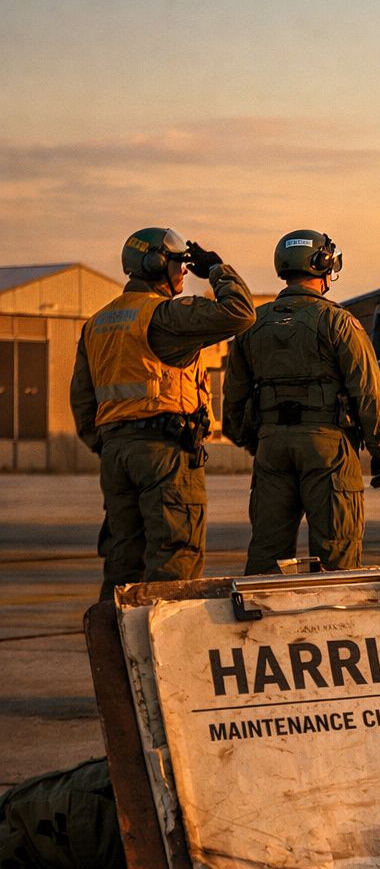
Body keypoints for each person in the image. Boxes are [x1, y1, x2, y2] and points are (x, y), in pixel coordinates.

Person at [71, 228, 255, 601]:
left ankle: (117, 637)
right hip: (165, 453)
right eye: (177, 263)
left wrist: (112, 444)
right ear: (156, 264)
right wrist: (216, 269)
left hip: (116, 455)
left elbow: (83, 402)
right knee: (175, 558)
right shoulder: (164, 316)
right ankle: (164, 637)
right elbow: (240, 312)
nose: (183, 271)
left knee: (124, 561)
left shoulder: (97, 323)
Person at [223, 230, 380, 575]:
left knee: (267, 554)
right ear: (321, 265)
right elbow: (368, 390)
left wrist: (254, 439)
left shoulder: (253, 325)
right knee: (337, 554)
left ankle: (261, 610)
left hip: (272, 446)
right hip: (327, 449)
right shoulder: (338, 322)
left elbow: (234, 397)